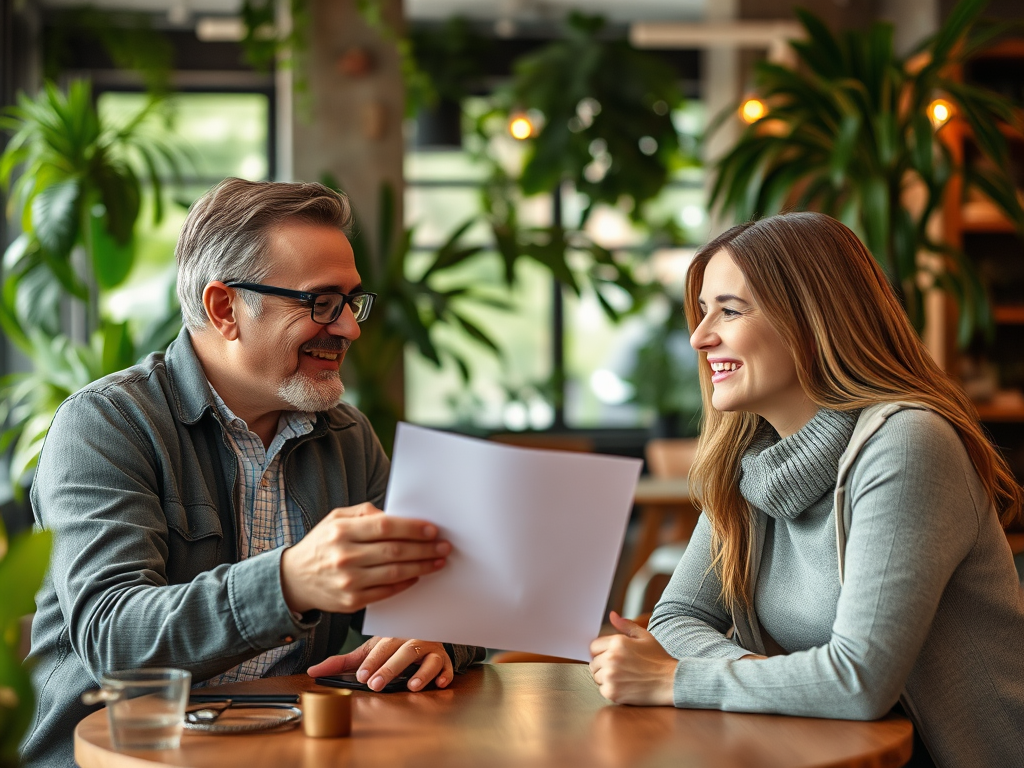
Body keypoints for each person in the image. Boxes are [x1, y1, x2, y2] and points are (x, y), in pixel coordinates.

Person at [21, 179, 483, 767]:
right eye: (321, 302)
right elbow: (114, 639)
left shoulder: (346, 437)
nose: (349, 328)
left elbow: (442, 599)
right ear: (224, 309)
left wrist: (437, 639)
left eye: (352, 302)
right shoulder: (106, 425)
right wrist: (289, 582)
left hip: (283, 750)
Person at [589, 212, 1024, 767]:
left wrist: (680, 679)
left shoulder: (908, 442)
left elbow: (857, 683)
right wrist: (747, 679)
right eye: (701, 313)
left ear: (812, 319)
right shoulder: (748, 462)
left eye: (729, 310)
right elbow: (676, 618)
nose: (700, 338)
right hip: (818, 750)